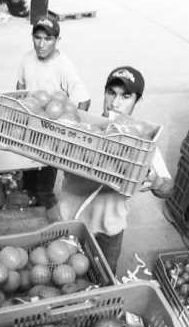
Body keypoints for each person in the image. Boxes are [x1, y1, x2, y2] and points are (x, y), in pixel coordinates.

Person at [58, 66, 174, 275]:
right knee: (63, 276)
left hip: (109, 231)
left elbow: (167, 188)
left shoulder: (142, 142)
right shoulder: (82, 127)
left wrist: (157, 182)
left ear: (136, 101)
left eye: (126, 96)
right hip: (71, 222)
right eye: (111, 93)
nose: (116, 102)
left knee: (104, 277)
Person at [16, 16, 91, 220]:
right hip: (30, 130)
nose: (41, 44)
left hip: (51, 137)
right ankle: (31, 221)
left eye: (47, 39)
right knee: (27, 182)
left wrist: (73, 130)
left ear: (57, 40)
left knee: (44, 190)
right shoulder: (26, 59)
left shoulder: (63, 65)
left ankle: (56, 230)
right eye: (37, 37)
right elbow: (20, 87)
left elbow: (84, 98)